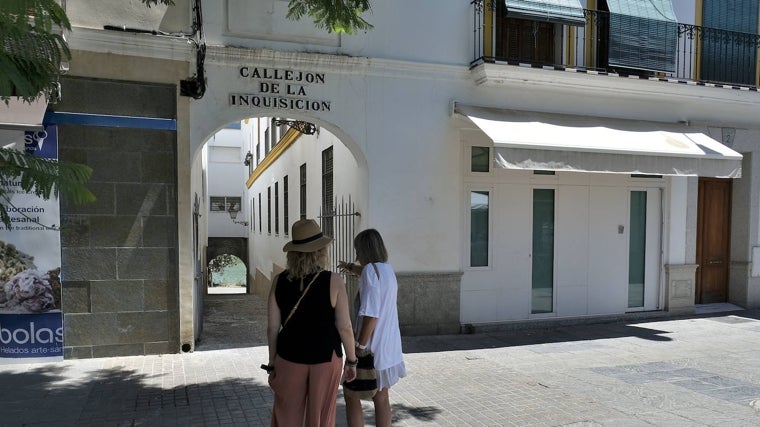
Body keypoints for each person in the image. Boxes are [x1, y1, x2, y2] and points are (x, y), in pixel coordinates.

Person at [265, 219, 358, 427]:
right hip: (325, 357)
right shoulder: (334, 281)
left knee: (286, 415)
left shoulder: (279, 281)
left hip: (289, 356)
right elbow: (345, 327)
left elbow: (272, 328)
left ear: (293, 252)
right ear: (321, 251)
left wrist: (272, 363)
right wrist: (352, 361)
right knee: (321, 417)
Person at [338, 229, 407, 427]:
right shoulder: (386, 269)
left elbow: (371, 314)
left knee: (351, 394)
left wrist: (359, 346)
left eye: (357, 250)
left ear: (364, 250)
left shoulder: (370, 271)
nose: (357, 255)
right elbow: (369, 273)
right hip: (388, 346)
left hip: (371, 347)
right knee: (382, 397)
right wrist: (351, 267)